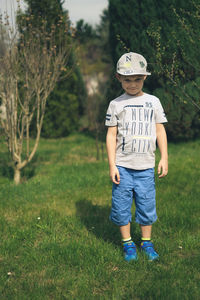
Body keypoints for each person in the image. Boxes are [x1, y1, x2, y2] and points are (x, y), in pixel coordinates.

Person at [105, 52, 168, 261]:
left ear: (145, 78)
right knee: (121, 206)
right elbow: (111, 135)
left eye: (138, 79)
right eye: (127, 80)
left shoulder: (153, 102)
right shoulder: (116, 104)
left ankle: (146, 242)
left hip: (146, 167)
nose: (132, 84)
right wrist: (112, 165)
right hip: (123, 166)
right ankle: (128, 244)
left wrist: (164, 158)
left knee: (146, 205)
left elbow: (160, 131)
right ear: (118, 78)